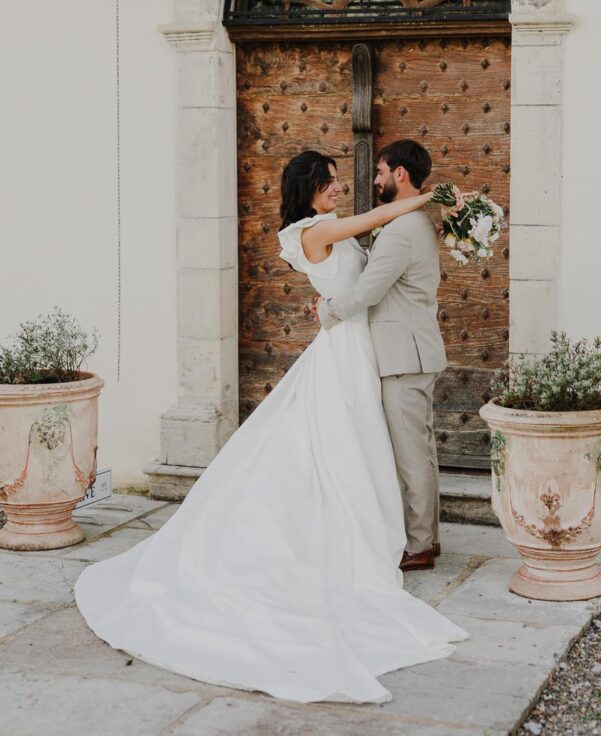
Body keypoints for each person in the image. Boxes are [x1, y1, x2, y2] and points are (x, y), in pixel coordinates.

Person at [73, 148, 468, 705]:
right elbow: (377, 223)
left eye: (339, 182)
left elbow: (369, 252)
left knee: (361, 444)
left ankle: (390, 529)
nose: (339, 188)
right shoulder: (313, 230)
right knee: (341, 445)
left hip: (362, 348)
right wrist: (434, 197)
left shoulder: (331, 226)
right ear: (310, 188)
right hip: (347, 348)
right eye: (330, 182)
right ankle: (358, 533)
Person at [314, 139, 448, 570]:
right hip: (411, 349)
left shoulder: (403, 229)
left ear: (400, 175)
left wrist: (328, 311)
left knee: (411, 452)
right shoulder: (416, 221)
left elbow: (371, 289)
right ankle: (428, 536)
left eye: (381, 172)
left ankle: (420, 544)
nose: (375, 180)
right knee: (420, 448)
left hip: (402, 354)